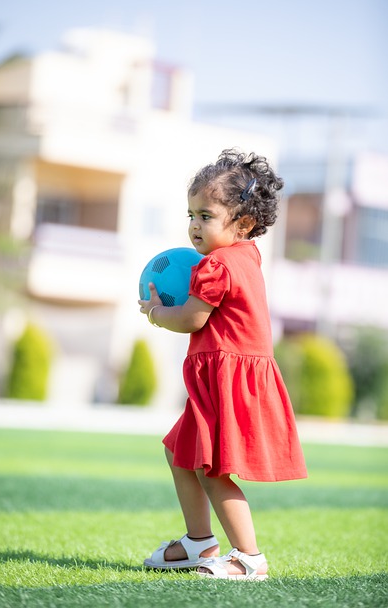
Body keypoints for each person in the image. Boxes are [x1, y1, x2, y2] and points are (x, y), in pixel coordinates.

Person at [138, 148, 307, 580]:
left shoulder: (216, 265)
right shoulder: (246, 255)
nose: (194, 225)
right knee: (180, 452)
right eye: (191, 215)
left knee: (211, 468)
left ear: (244, 223)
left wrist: (155, 312)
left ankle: (249, 558)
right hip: (226, 376)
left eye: (206, 216)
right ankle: (199, 542)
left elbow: (192, 318)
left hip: (230, 379)